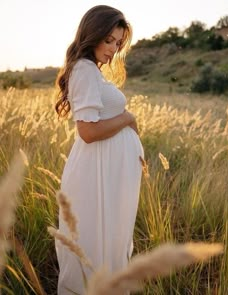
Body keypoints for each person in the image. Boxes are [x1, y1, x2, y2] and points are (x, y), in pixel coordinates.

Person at [55, 5, 144, 295]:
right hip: (94, 175)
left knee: (107, 242)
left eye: (118, 43)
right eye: (109, 40)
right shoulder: (83, 69)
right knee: (94, 244)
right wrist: (128, 119)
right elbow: (88, 131)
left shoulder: (92, 71)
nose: (113, 49)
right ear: (91, 34)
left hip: (104, 173)